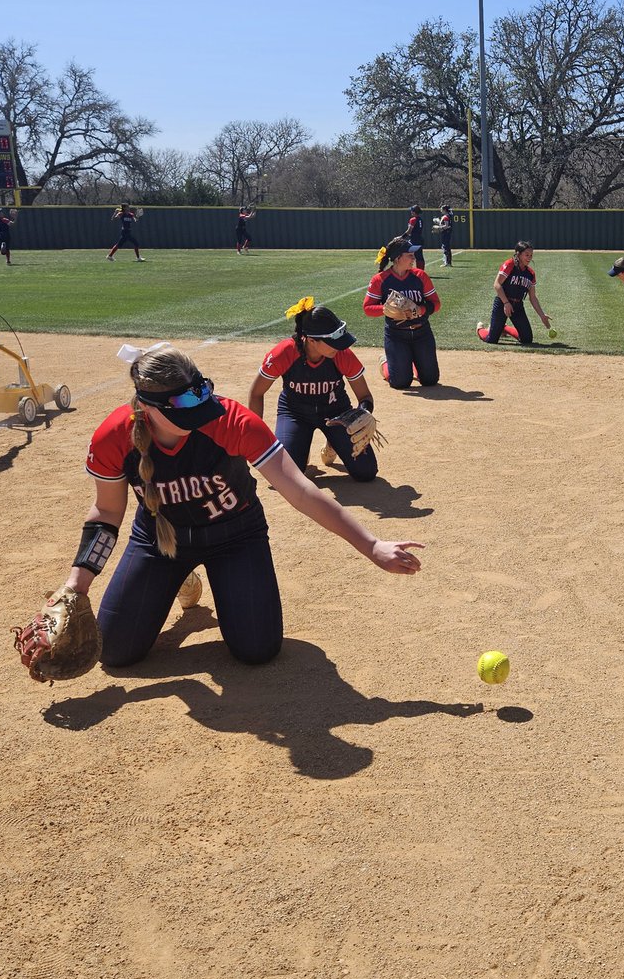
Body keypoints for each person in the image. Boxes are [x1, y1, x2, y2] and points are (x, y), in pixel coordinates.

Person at [65, 345, 421, 668]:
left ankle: (181, 580)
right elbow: (108, 512)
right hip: (161, 541)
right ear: (145, 406)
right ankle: (175, 577)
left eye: (201, 405)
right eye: (185, 413)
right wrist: (75, 587)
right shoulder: (114, 436)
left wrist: (371, 545)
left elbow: (299, 491)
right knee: (114, 651)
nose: (201, 417)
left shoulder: (228, 419)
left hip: (235, 537)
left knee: (258, 650)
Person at [247, 297, 378, 482]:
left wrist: (363, 413)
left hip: (337, 415)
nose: (340, 346)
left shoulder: (341, 354)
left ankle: (334, 441)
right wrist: (255, 435)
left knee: (366, 472)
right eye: (333, 341)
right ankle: (298, 447)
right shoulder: (285, 352)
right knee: (287, 477)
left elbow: (365, 395)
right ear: (311, 340)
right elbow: (256, 392)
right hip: (294, 413)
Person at [364, 236, 442, 389]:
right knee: (400, 382)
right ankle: (386, 362)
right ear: (398, 258)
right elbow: (367, 308)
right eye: (410, 255)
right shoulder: (380, 279)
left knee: (430, 380)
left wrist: (421, 309)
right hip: (396, 335)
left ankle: (411, 363)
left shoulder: (420, 276)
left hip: (422, 333)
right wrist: (386, 310)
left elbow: (436, 304)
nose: (414, 258)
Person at [476, 241, 552, 345]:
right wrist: (506, 303)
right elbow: (497, 284)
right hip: (502, 303)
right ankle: (480, 329)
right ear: (518, 254)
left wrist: (542, 315)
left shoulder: (530, 273)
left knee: (527, 340)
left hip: (518, 306)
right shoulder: (509, 264)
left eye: (531, 255)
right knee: (492, 339)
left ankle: (504, 328)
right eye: (526, 255)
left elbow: (533, 297)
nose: (529, 258)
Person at [402, 204, 426, 270]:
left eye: (412, 210)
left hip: (414, 240)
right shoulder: (420, 219)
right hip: (419, 239)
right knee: (419, 256)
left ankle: (409, 269)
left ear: (414, 212)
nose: (411, 212)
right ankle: (421, 270)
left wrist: (402, 237)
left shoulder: (413, 219)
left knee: (407, 254)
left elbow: (409, 231)